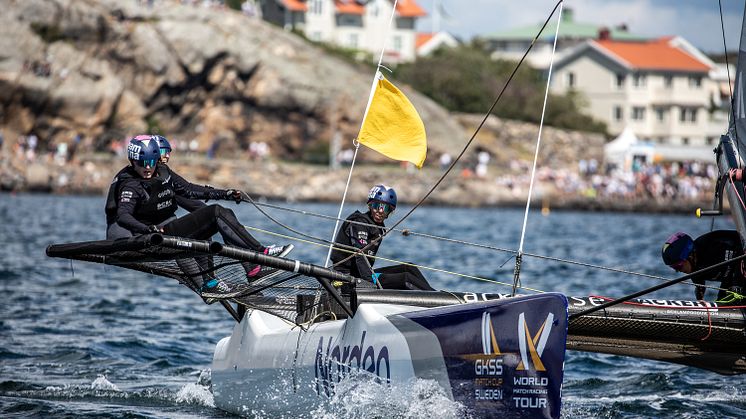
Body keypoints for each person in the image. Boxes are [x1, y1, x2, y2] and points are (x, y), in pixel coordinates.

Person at [104, 135, 293, 284]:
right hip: (135, 241)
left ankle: (226, 277)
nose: (147, 167)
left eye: (152, 161)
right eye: (142, 162)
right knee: (215, 216)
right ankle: (258, 255)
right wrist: (148, 230)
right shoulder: (131, 184)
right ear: (133, 160)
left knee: (217, 218)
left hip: (159, 234)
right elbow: (123, 216)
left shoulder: (162, 174)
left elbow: (191, 191)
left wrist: (225, 194)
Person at [330, 184, 434, 291]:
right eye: (376, 206)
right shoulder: (359, 222)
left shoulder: (377, 226)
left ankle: (438, 296)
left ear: (390, 211)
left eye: (385, 208)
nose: (380, 211)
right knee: (405, 279)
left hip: (363, 274)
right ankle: (437, 300)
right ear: (370, 205)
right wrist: (369, 284)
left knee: (409, 267)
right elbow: (360, 255)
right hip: (348, 278)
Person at [662, 230, 745, 303]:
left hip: (740, 250)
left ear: (690, 256)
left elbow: (738, 254)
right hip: (731, 275)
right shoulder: (694, 266)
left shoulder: (710, 247)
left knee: (731, 294)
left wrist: (736, 284)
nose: (678, 271)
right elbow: (700, 286)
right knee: (723, 300)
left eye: (678, 266)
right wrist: (700, 300)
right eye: (674, 268)